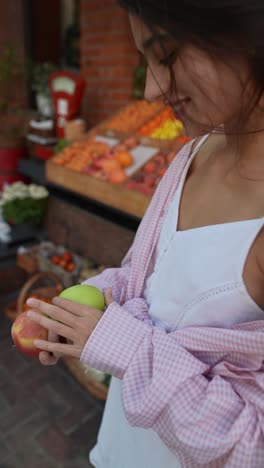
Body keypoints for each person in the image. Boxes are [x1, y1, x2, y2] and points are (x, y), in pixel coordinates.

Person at [26, 1, 264, 466]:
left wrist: (123, 347)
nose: (152, 88)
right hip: (118, 448)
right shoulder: (190, 156)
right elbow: (143, 279)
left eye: (168, 55)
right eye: (145, 60)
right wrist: (85, 305)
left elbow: (252, 445)